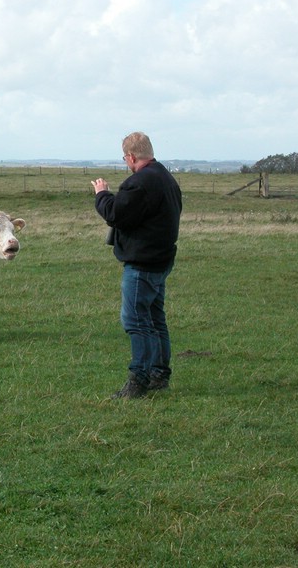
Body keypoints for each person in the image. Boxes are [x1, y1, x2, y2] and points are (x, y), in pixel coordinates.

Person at [91, 132, 182, 399]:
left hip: (143, 264)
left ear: (131, 156)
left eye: (125, 158)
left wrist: (102, 194)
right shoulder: (165, 177)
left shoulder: (140, 182)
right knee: (155, 318)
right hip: (161, 259)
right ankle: (159, 374)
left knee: (135, 320)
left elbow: (115, 214)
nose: (126, 163)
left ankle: (138, 380)